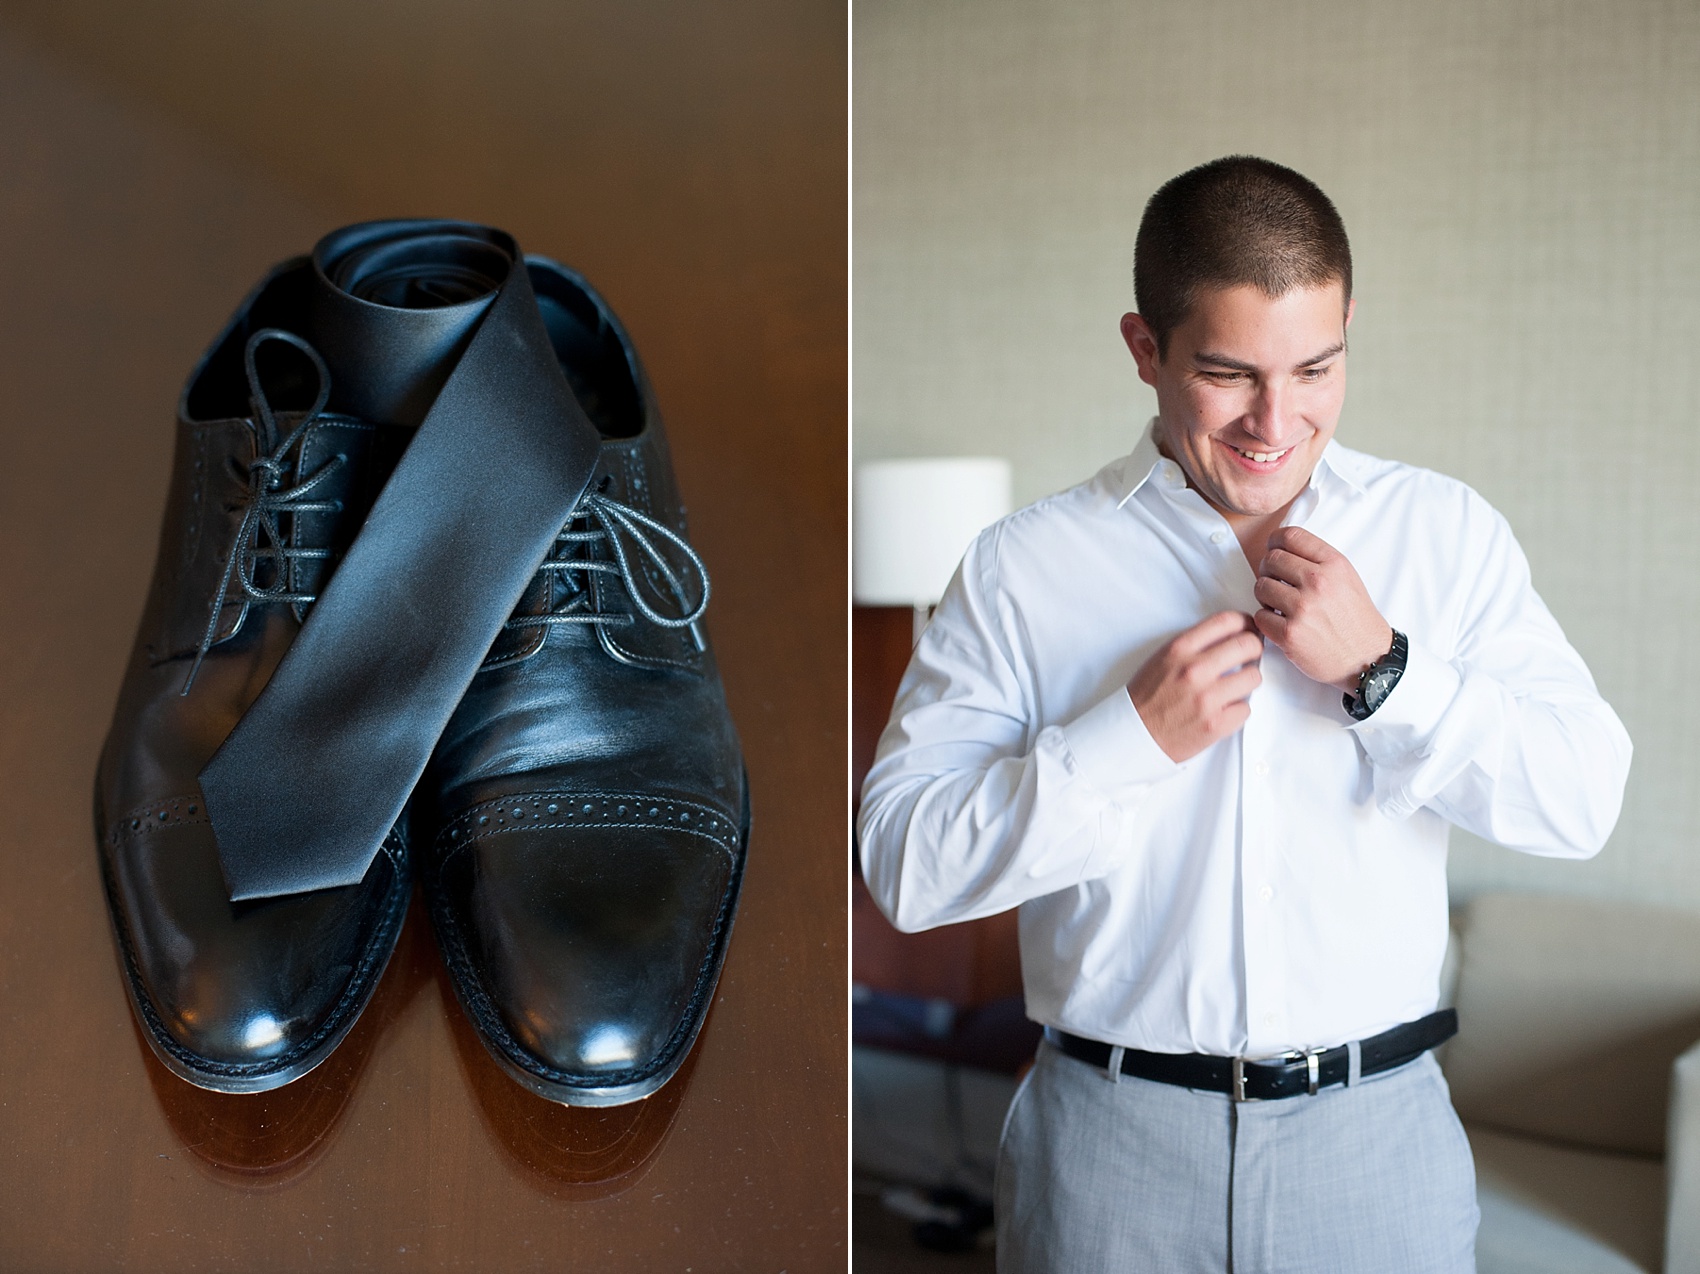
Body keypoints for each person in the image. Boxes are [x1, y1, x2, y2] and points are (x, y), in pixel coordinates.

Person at [856, 155, 1632, 1272]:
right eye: (1228, 374)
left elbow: (1581, 796)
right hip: (1105, 1153)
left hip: (1375, 1149)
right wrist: (1124, 742)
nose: (1277, 420)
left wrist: (1385, 671)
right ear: (1144, 348)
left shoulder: (1443, 535)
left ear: (1348, 326)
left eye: (1315, 366)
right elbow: (901, 864)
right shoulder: (1023, 568)